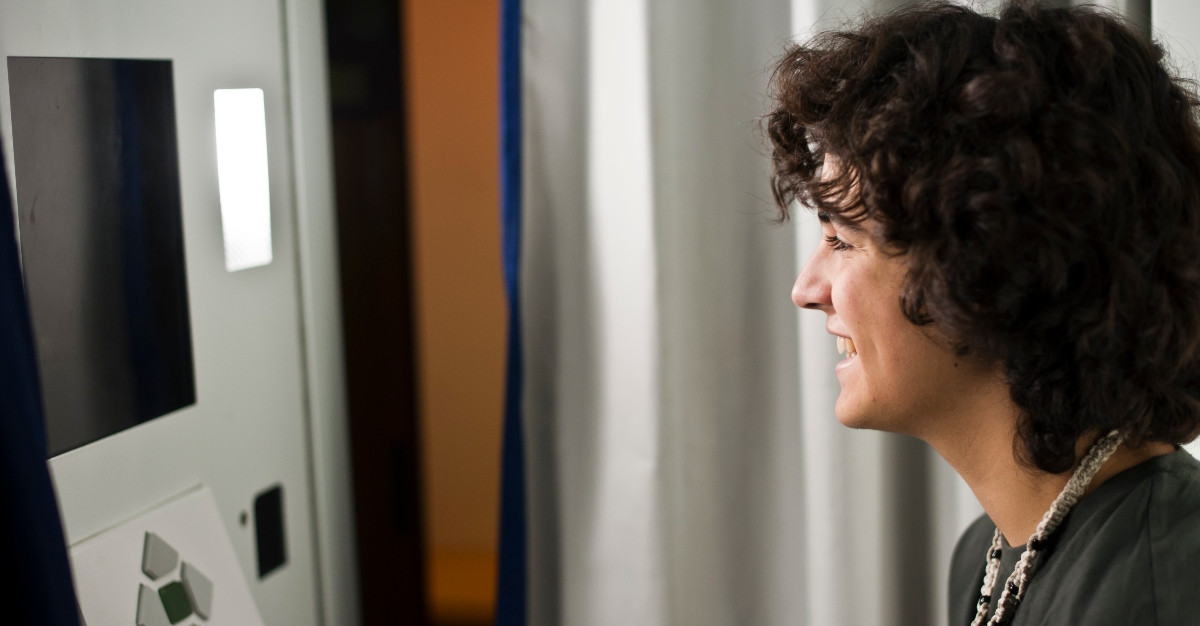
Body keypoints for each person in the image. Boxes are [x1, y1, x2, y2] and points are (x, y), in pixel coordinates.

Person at [767, 1, 1200, 624]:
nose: (806, 289)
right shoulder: (985, 558)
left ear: (985, 260)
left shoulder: (1162, 584)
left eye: (841, 240)